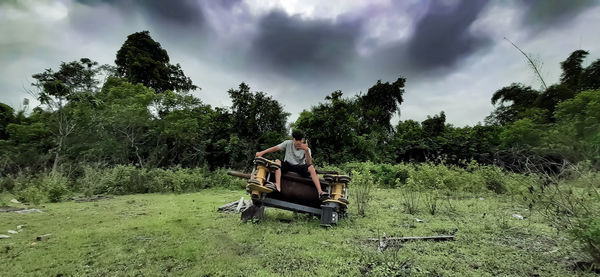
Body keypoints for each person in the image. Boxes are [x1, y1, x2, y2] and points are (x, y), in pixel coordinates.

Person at [255, 130, 328, 200]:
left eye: (300, 140)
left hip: (299, 167)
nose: (298, 142)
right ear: (293, 139)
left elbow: (309, 163)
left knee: (311, 167)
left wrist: (306, 151)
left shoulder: (307, 149)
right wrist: (262, 152)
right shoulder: (288, 143)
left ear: (303, 140)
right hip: (288, 165)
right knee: (277, 161)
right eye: (297, 140)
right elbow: (275, 148)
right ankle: (278, 186)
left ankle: (320, 192)